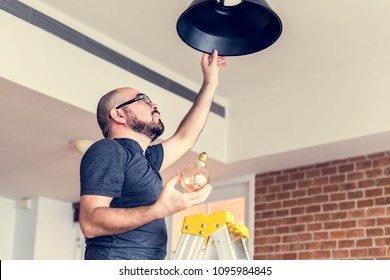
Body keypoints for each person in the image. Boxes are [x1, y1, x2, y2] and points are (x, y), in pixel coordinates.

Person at [79, 50, 228, 260]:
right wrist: (158, 210)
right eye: (143, 100)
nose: (154, 105)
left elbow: (186, 137)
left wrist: (210, 83)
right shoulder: (108, 150)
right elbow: (90, 223)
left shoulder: (145, 158)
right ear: (118, 114)